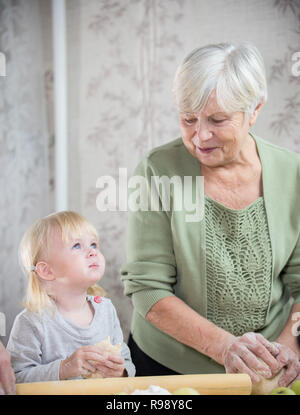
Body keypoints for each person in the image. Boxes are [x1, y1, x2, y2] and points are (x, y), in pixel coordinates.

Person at [121, 42, 300, 386]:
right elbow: (147, 288)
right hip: (168, 366)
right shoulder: (158, 171)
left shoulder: (292, 173)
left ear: (255, 110)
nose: (200, 135)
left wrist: (288, 344)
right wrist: (226, 347)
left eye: (218, 120)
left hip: (269, 370)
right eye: (188, 119)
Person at [7, 211, 135, 383]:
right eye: (77, 246)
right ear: (47, 270)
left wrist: (121, 372)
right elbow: (16, 379)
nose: (92, 252)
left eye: (93, 244)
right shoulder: (31, 322)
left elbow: (127, 362)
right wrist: (63, 369)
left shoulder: (105, 309)